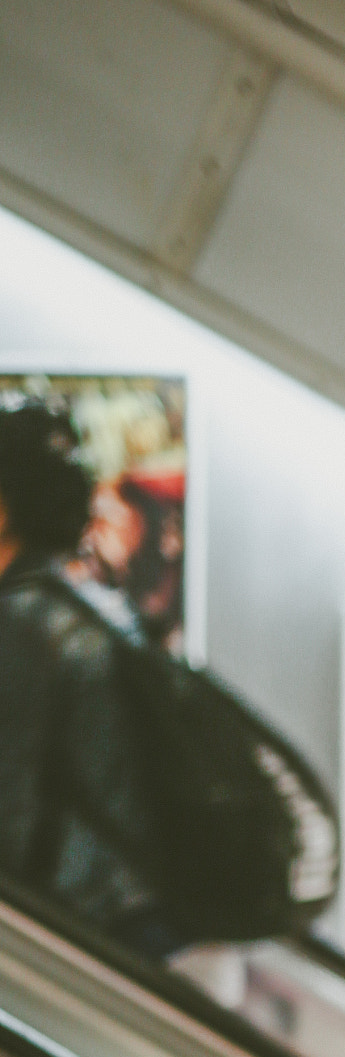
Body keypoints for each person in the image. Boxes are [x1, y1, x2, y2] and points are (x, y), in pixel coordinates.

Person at [0, 400, 180, 954]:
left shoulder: (22, 626)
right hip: (125, 916)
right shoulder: (96, 610)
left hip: (69, 926)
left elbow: (13, 810)